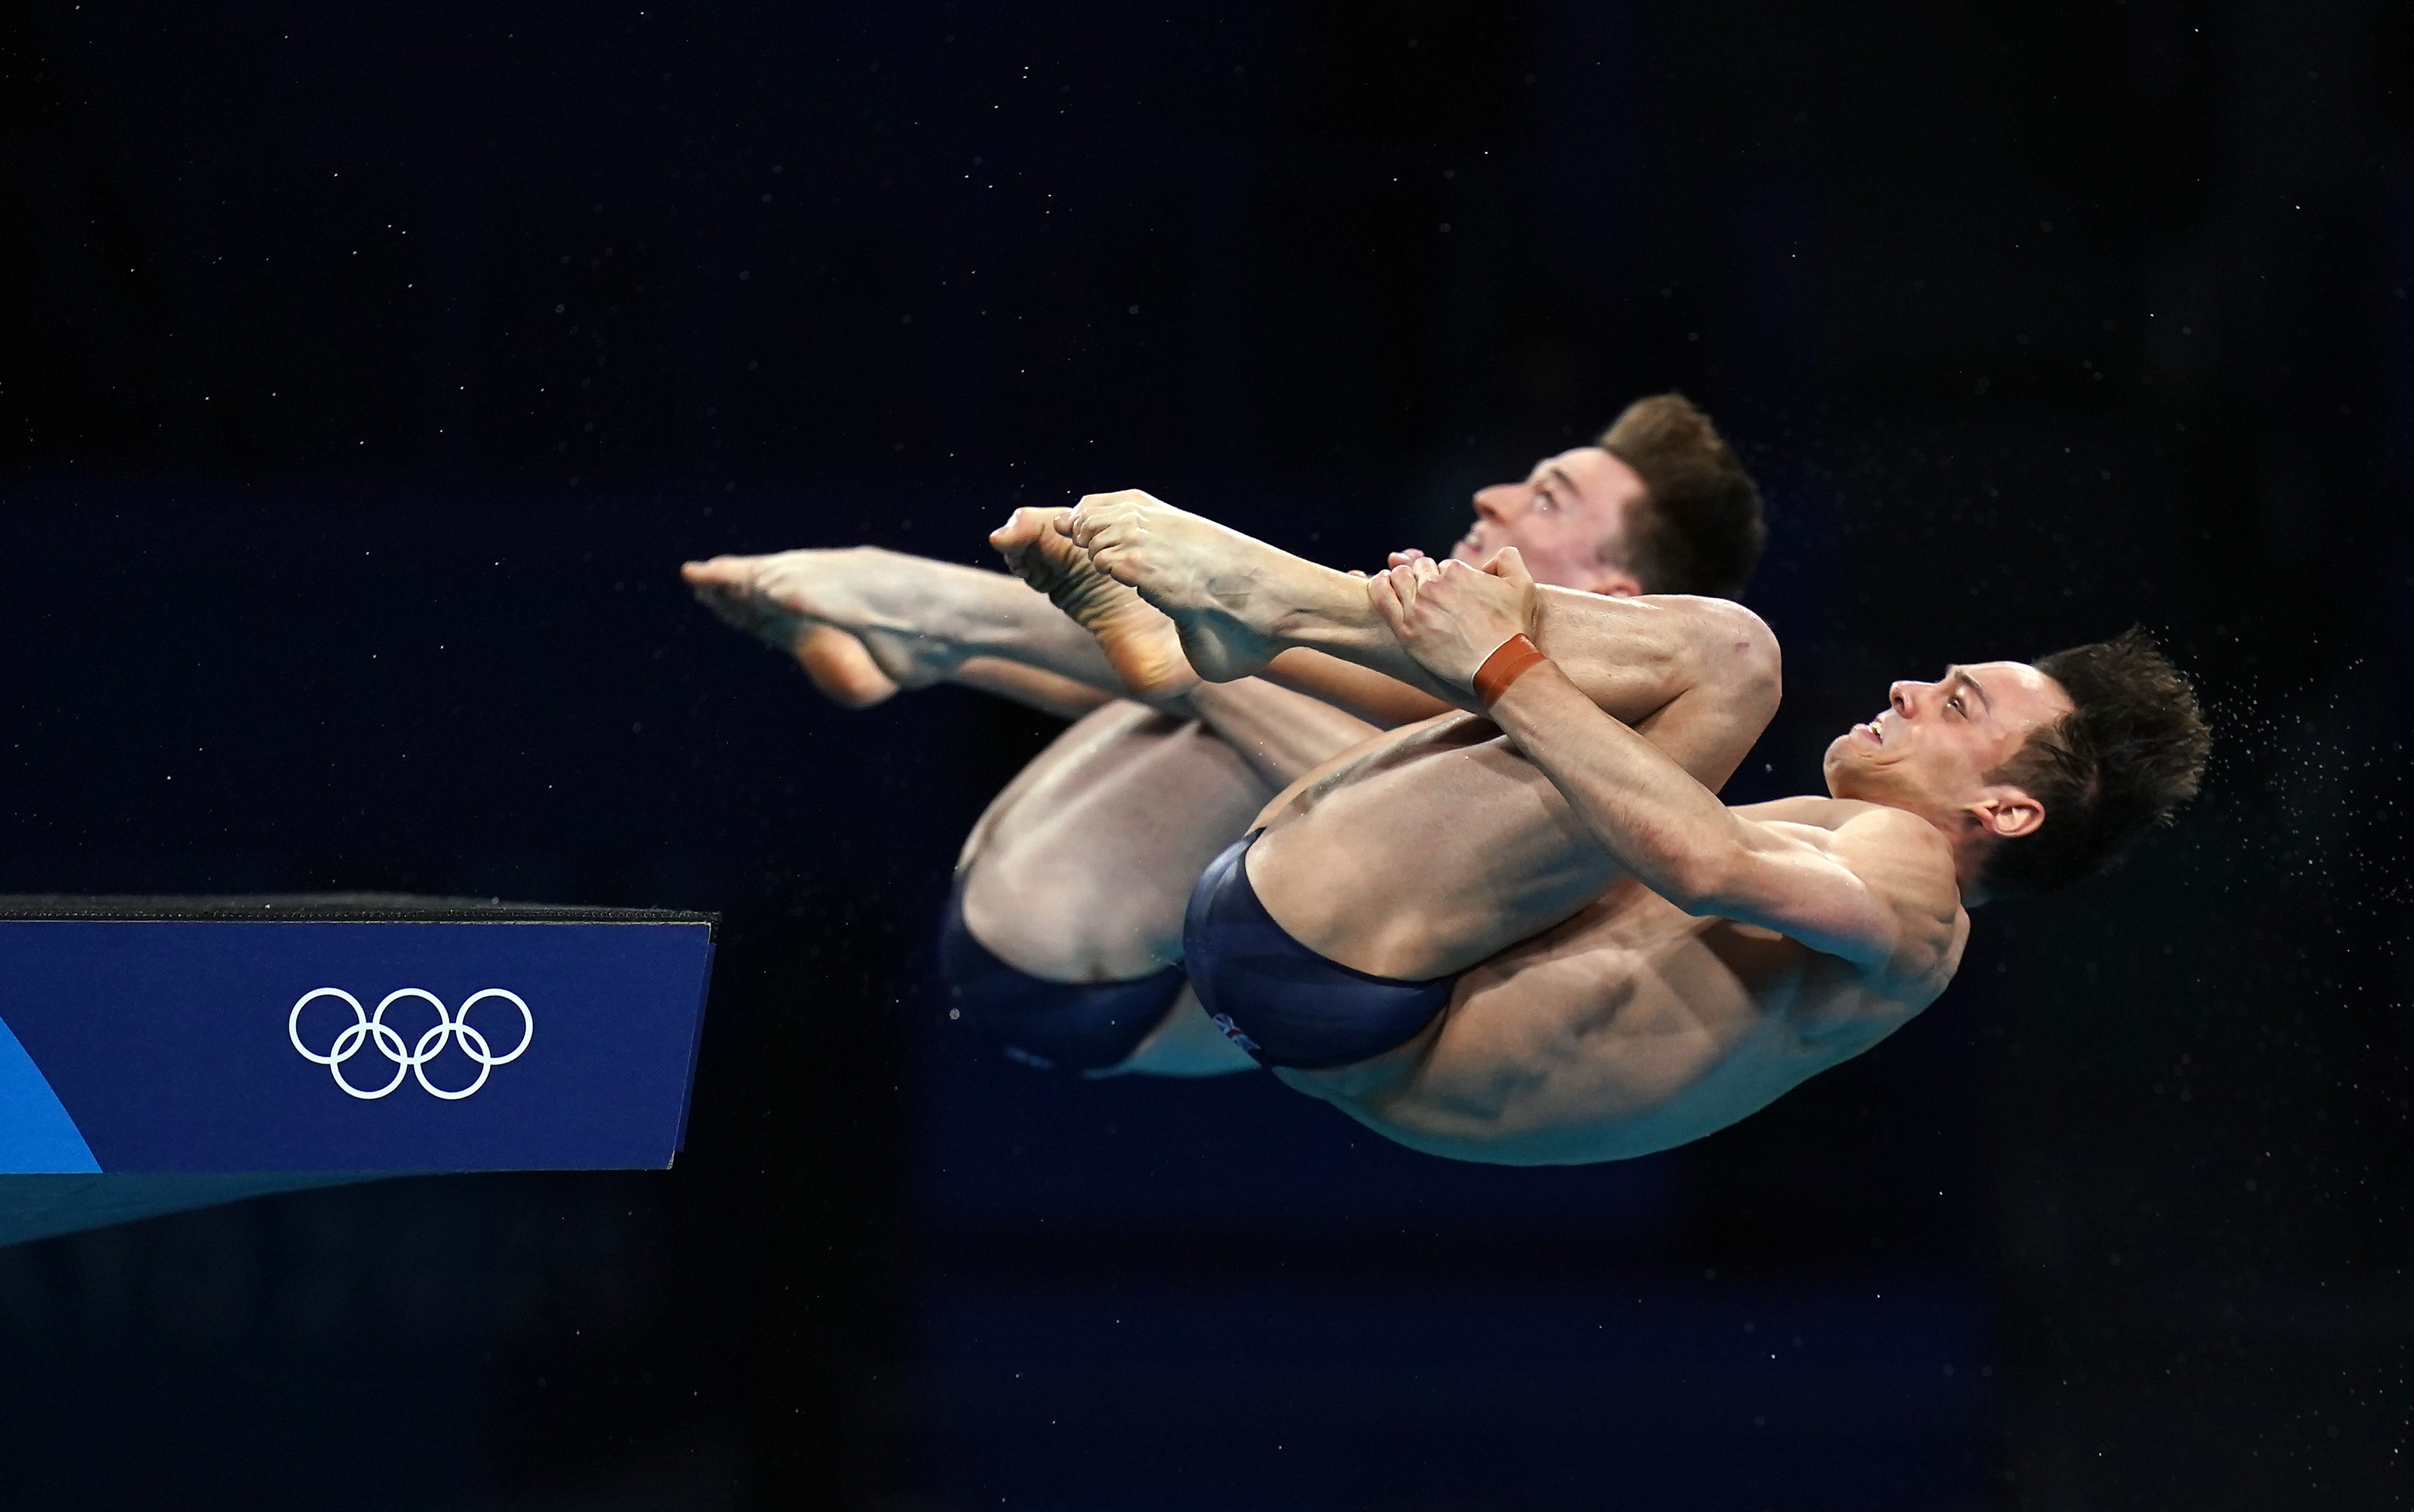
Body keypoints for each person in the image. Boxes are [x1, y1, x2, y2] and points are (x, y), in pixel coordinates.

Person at [1020, 489, 2209, 1163]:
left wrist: (1498, 652)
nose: (1907, 690)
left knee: (1733, 659)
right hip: (1321, 985)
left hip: (1339, 976)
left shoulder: (1916, 902)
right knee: (1585, 712)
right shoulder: (1832, 838)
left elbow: (1700, 862)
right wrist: (1503, 661)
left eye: (1956, 706)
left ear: (2005, 809)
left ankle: (1275, 610)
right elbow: (1573, 799)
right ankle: (1229, 656)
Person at [683, 395, 1768, 1076]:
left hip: (1112, 980)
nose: (1492, 491)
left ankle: (934, 620)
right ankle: (939, 646)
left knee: (1242, 669)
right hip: (1070, 926)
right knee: (1212, 674)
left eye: (1547, 495)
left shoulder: (1612, 781)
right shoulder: (1439, 677)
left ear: (1616, 586)